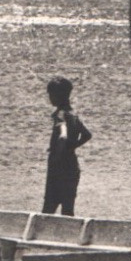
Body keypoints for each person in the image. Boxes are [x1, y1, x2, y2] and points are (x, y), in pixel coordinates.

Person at [42, 75, 93, 215]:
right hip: (72, 166)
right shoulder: (73, 115)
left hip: (59, 169)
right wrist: (72, 147)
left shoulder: (61, 115)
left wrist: (57, 155)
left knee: (48, 209)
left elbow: (63, 136)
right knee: (68, 209)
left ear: (57, 95)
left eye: (51, 94)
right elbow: (87, 135)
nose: (49, 97)